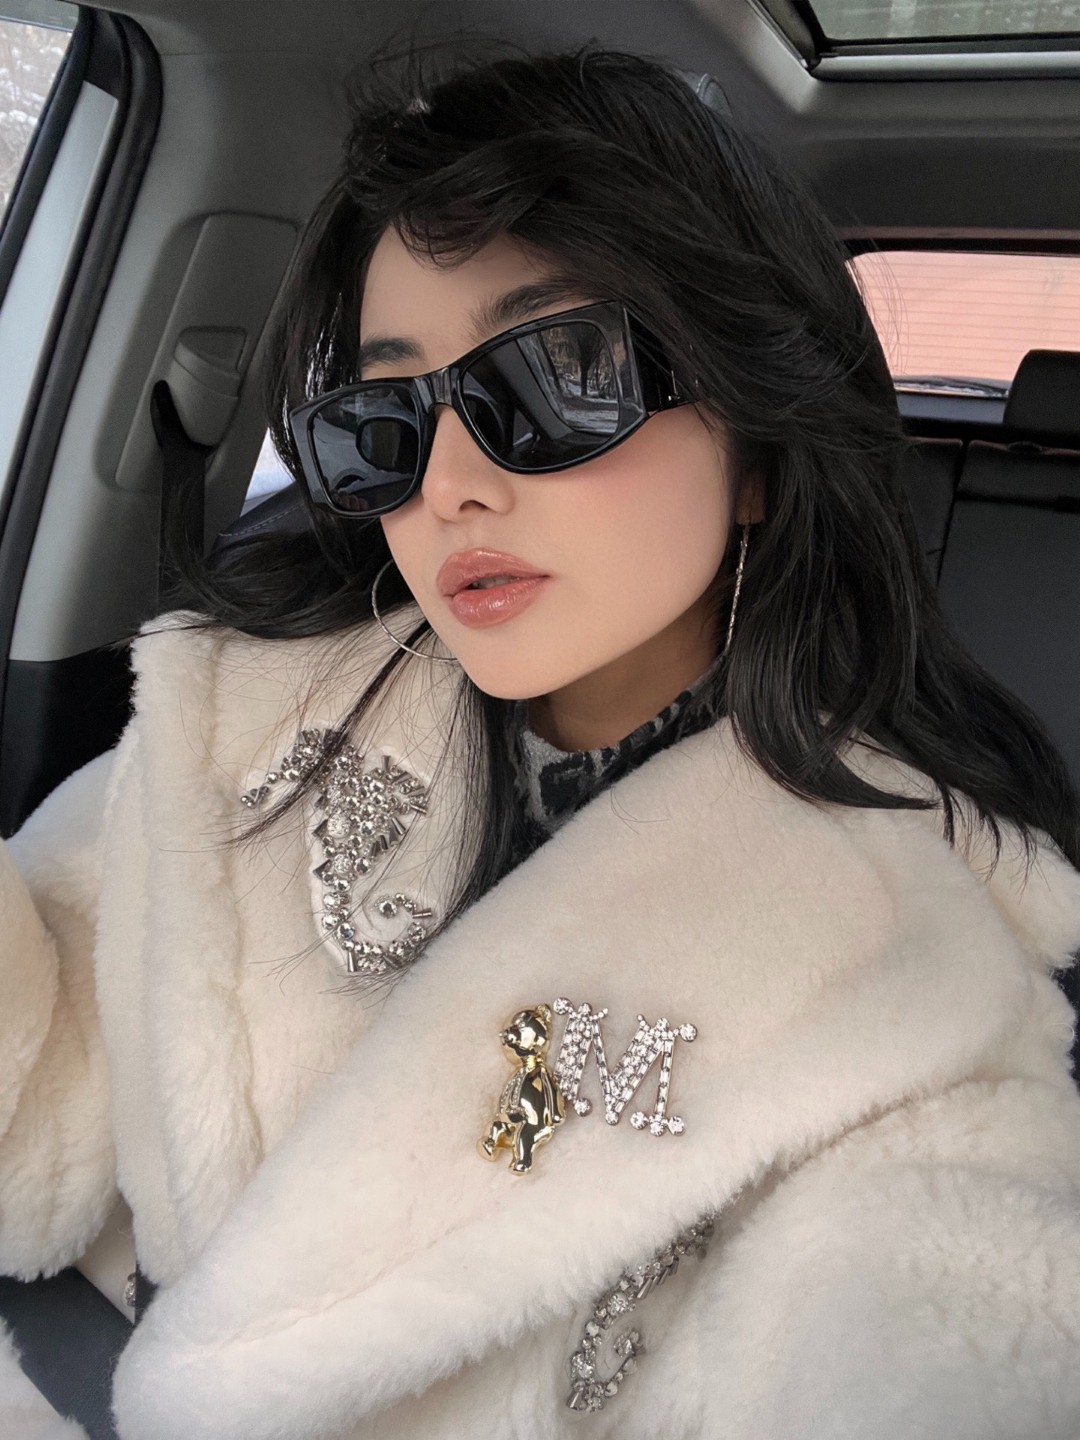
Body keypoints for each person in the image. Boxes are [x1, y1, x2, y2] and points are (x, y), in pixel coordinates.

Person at [2, 41, 1080, 1440]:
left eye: (560, 373)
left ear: (756, 445)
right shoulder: (234, 726)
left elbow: (942, 1314)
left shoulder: (914, 983)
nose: (450, 484)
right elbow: (37, 1095)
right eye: (385, 418)